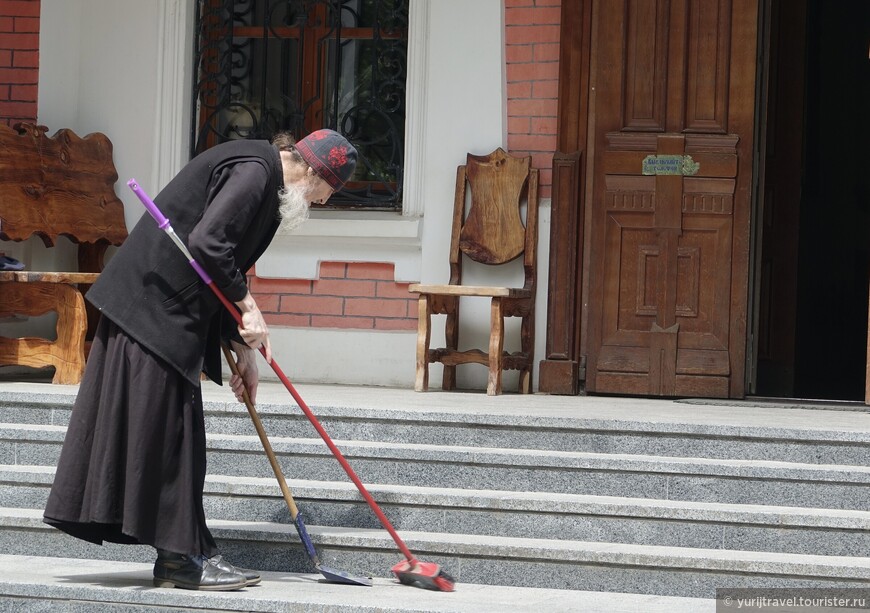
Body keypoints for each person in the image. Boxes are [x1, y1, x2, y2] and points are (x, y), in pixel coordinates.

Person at [42, 129, 358, 591]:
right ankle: (184, 559)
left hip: (158, 312)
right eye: (329, 191)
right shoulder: (256, 172)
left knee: (172, 435)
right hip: (151, 312)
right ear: (312, 170)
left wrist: (243, 350)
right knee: (172, 436)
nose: (324, 202)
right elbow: (209, 242)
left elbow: (215, 263)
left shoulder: (261, 176)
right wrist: (250, 308)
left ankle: (189, 553)